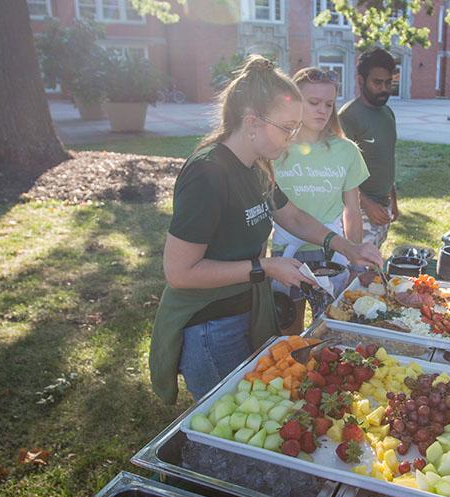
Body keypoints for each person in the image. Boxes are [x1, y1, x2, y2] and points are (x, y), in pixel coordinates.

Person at [149, 56, 382, 403]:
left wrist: (349, 248)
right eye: (287, 127)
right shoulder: (207, 174)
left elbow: (293, 217)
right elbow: (179, 272)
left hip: (245, 311)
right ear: (252, 122)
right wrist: (265, 267)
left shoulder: (257, 167)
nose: (292, 139)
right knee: (227, 420)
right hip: (210, 324)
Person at [271, 67, 370, 334]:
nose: (322, 110)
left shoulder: (346, 150)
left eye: (329, 104)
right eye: (313, 102)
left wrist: (355, 258)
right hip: (286, 252)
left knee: (331, 328)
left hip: (331, 252)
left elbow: (352, 209)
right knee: (288, 328)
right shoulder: (275, 149)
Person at [339, 48, 400, 248]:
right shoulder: (348, 117)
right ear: (360, 80)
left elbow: (386, 158)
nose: (384, 89)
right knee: (359, 270)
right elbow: (340, 172)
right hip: (360, 210)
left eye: (388, 82)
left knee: (374, 267)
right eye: (377, 82)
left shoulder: (388, 113)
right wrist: (367, 204)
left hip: (383, 207)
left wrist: (393, 200)